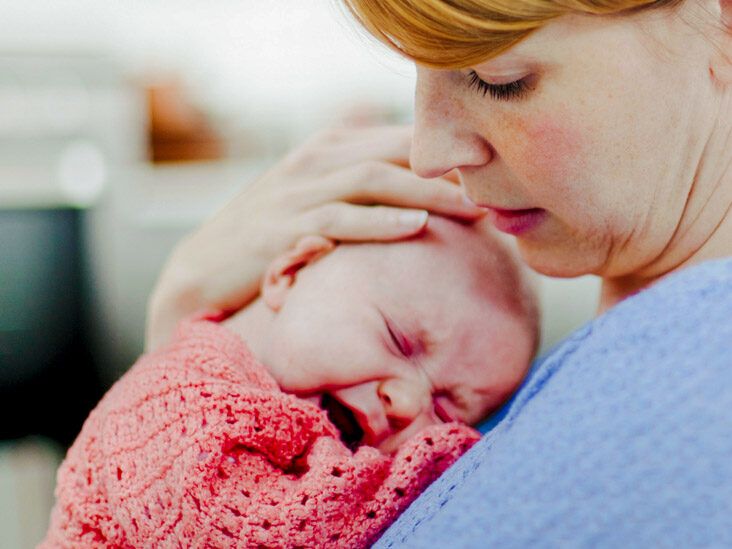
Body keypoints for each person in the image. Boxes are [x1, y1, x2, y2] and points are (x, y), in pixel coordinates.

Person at [143, 0, 732, 545]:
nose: (428, 154)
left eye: (498, 80)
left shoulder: (687, 415)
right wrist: (189, 360)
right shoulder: (550, 384)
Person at [42, 217, 538, 548]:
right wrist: (434, 460)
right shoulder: (177, 402)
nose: (408, 402)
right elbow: (266, 534)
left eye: (448, 412)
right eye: (399, 340)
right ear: (293, 271)